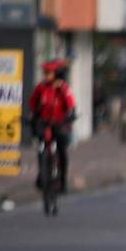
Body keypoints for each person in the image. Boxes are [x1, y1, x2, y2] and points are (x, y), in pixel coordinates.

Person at [28, 60, 76, 192]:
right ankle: (42, 174)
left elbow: (71, 104)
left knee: (62, 150)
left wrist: (70, 114)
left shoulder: (63, 88)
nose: (46, 75)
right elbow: (33, 103)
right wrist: (33, 116)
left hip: (59, 123)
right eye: (45, 73)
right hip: (44, 123)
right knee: (41, 148)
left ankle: (63, 180)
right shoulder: (41, 87)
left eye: (49, 73)